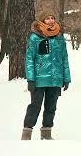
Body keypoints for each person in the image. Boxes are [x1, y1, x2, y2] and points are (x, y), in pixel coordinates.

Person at [21, 10, 71, 140]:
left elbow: (64, 58)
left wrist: (66, 78)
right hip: (39, 80)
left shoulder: (59, 37)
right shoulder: (35, 37)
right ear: (42, 21)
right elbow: (29, 59)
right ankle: (27, 133)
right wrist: (30, 79)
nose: (50, 20)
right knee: (35, 106)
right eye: (47, 18)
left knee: (51, 107)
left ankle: (46, 134)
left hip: (55, 79)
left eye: (52, 18)